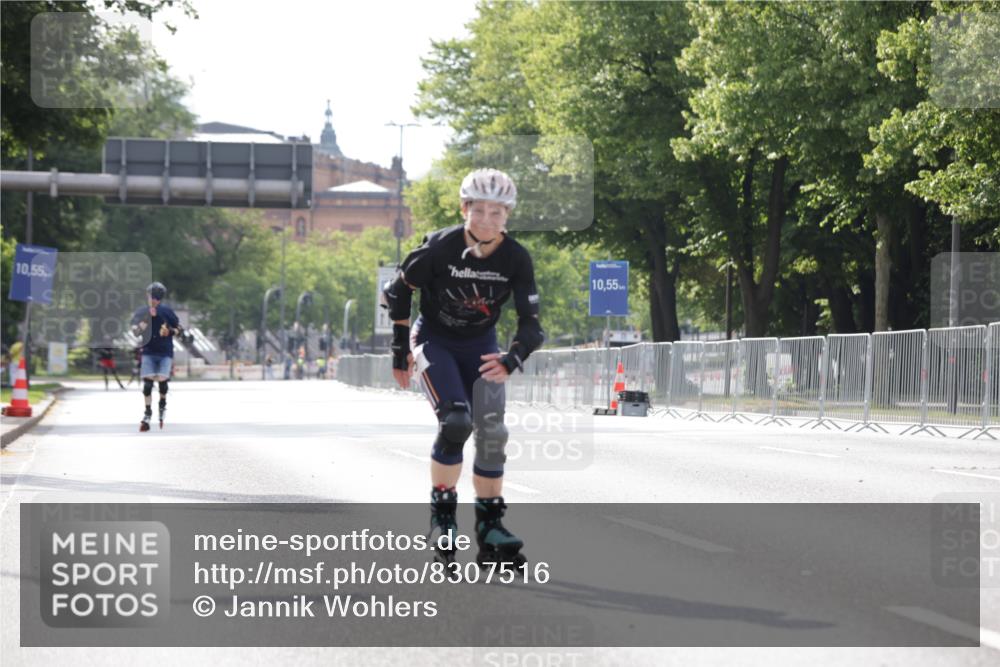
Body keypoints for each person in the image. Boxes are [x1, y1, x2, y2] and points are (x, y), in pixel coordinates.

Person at [381, 168, 544, 568]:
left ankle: (490, 525)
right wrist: (400, 350)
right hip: (435, 339)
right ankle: (442, 517)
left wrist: (512, 357)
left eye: (498, 212)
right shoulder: (439, 247)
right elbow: (398, 293)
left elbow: (531, 324)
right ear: (464, 208)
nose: (488, 220)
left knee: (493, 432)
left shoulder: (515, 258)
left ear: (508, 215)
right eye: (480, 211)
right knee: (456, 422)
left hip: (481, 345)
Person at [130, 282, 182, 431]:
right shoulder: (142, 312)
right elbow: (136, 332)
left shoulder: (167, 311)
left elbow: (179, 328)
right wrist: (147, 319)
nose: (153, 300)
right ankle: (147, 412)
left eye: (155, 297)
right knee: (148, 384)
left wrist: (170, 332)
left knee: (162, 381)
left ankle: (162, 406)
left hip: (165, 352)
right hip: (148, 351)